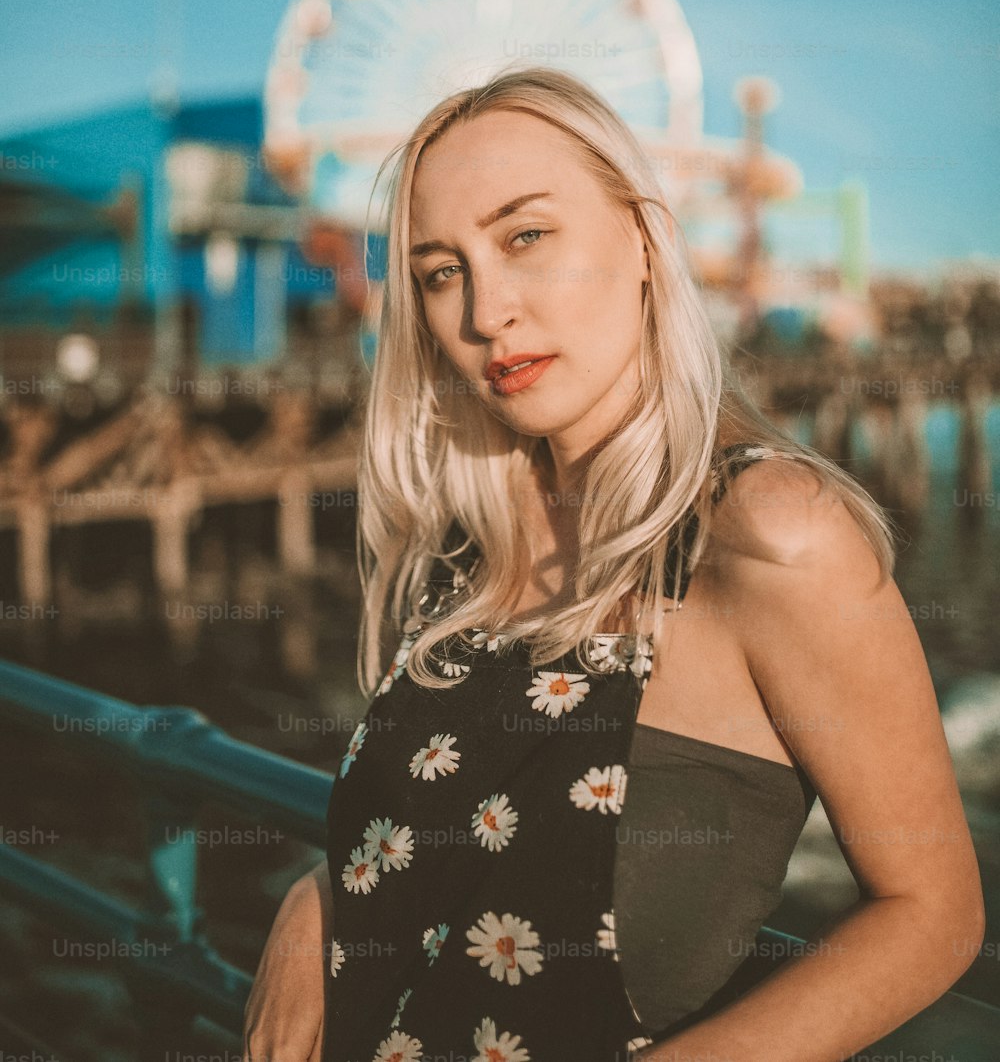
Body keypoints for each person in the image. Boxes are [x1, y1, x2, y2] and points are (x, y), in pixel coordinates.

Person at [242, 65, 984, 1062]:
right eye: (439, 270)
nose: (483, 310)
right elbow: (451, 841)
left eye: (525, 237)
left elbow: (930, 911)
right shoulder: (473, 542)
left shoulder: (766, 533)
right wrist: (319, 899)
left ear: (644, 239)